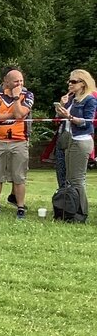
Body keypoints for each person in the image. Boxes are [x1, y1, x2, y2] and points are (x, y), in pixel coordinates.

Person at [0, 69, 34, 219]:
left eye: (21, 81)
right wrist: (12, 115)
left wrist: (15, 98)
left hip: (19, 140)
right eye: (16, 81)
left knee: (19, 175)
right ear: (6, 81)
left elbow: (20, 114)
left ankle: (20, 207)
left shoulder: (28, 95)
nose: (19, 84)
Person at [53, 69, 97, 222]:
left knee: (78, 179)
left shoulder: (90, 99)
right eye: (69, 81)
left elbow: (87, 122)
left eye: (73, 81)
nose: (69, 84)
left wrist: (69, 116)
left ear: (83, 84)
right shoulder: (72, 99)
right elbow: (60, 118)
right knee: (70, 179)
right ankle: (71, 211)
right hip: (70, 140)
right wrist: (61, 107)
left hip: (81, 141)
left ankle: (82, 213)